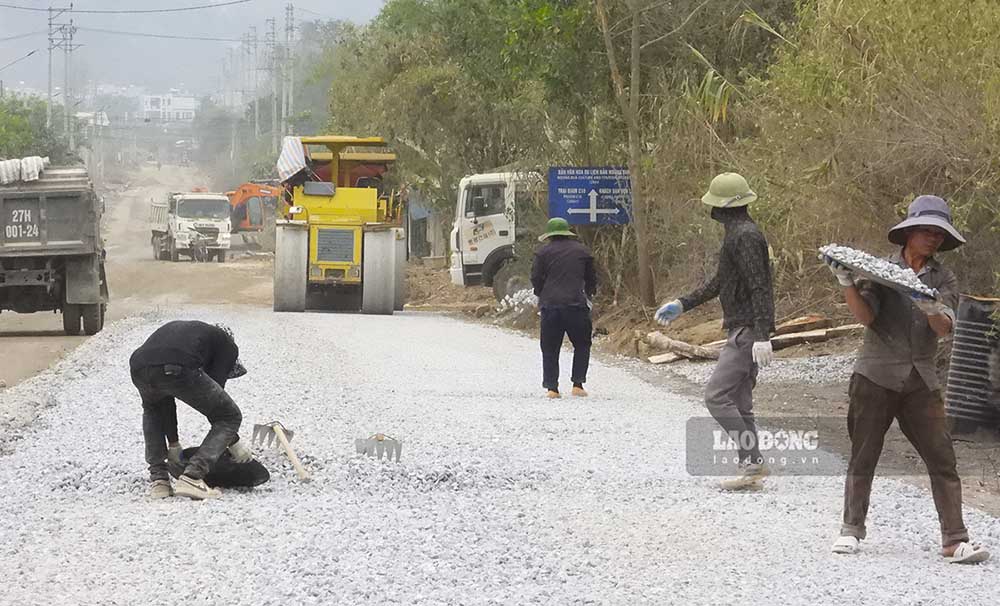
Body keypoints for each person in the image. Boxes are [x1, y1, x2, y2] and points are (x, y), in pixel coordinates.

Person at [823, 195, 990, 563]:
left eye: (937, 234)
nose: (931, 238)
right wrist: (847, 282)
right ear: (909, 233)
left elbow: (945, 327)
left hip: (921, 380)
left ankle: (954, 540)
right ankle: (851, 530)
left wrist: (929, 304)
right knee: (863, 454)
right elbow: (866, 318)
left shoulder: (943, 277)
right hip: (875, 375)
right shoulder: (880, 272)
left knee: (942, 458)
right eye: (925, 231)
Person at [655, 172, 775, 490]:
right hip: (744, 327)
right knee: (739, 399)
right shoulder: (737, 233)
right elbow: (720, 282)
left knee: (717, 396)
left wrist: (762, 334)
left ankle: (752, 463)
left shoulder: (745, 236)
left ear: (722, 207)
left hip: (747, 330)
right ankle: (753, 467)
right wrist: (683, 303)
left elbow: (759, 286)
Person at [130, 320, 252, 500]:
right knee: (230, 416)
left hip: (139, 367)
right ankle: (193, 476)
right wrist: (234, 442)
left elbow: (166, 397)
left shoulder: (192, 336)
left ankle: (159, 481)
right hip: (177, 365)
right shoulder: (228, 346)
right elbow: (216, 406)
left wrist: (174, 444)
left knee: (153, 409)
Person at [530, 217, 597, 399]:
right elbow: (591, 278)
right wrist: (589, 293)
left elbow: (535, 277)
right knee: (582, 344)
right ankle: (578, 384)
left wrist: (541, 293)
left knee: (550, 347)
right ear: (568, 233)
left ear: (550, 235)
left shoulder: (542, 253)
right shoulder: (582, 251)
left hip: (551, 306)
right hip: (576, 305)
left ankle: (552, 388)